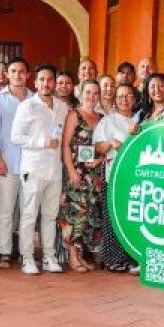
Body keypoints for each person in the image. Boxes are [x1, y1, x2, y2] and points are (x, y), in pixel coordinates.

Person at [10, 63, 70, 274]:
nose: (46, 83)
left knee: (50, 216)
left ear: (54, 82)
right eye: (42, 80)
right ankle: (27, 258)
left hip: (54, 170)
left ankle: (49, 256)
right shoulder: (27, 106)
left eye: (49, 80)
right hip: (33, 169)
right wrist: (42, 141)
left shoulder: (62, 108)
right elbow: (15, 137)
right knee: (29, 215)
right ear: (35, 83)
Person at [0, 58, 33, 268]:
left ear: (28, 75)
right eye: (13, 71)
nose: (17, 75)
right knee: (5, 211)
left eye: (21, 71)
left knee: (28, 211)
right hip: (6, 162)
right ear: (6, 74)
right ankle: (4, 252)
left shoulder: (35, 100)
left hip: (31, 165)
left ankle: (26, 253)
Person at [93, 84, 139, 273]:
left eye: (128, 95)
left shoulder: (140, 121)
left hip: (135, 179)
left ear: (134, 99)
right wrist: (111, 143)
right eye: (120, 96)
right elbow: (97, 147)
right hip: (113, 176)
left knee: (130, 218)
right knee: (112, 218)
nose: (124, 99)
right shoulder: (108, 121)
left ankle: (130, 258)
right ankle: (112, 259)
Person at [59, 80, 104, 272]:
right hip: (77, 171)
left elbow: (104, 147)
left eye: (95, 93)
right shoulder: (74, 115)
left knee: (89, 215)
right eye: (88, 92)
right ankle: (72, 257)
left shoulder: (102, 118)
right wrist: (71, 170)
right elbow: (66, 145)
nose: (91, 97)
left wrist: (100, 159)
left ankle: (81, 255)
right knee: (75, 214)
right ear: (81, 93)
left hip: (94, 174)